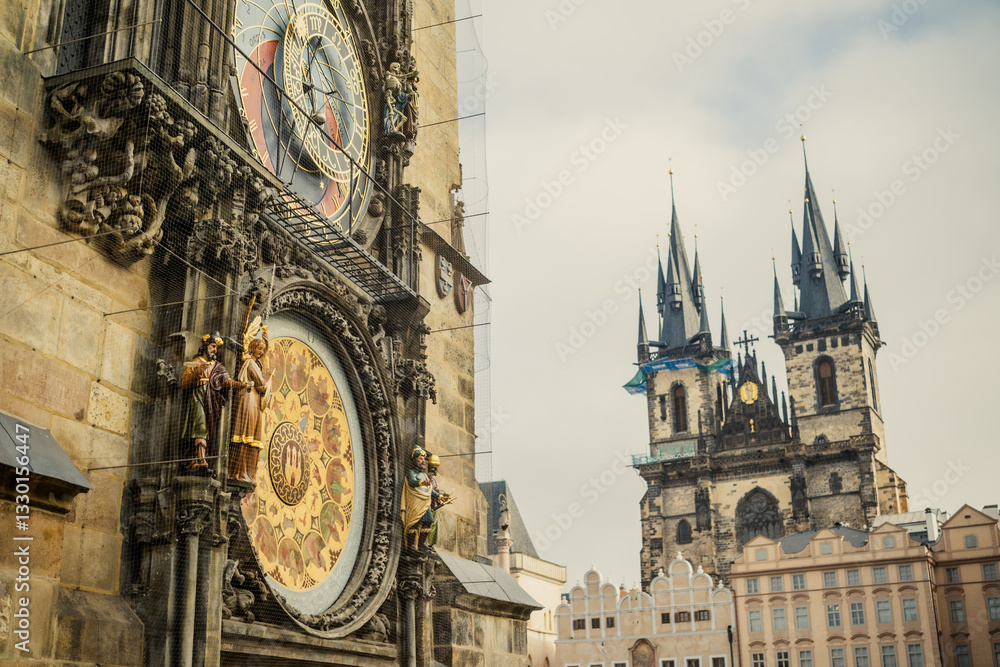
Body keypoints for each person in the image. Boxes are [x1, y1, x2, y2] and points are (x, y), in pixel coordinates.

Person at [180, 332, 247, 470]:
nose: (215, 350)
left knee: (206, 429)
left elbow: (227, 382)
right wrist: (197, 373)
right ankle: (200, 460)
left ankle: (198, 459)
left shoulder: (219, 367)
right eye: (212, 346)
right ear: (205, 346)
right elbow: (184, 382)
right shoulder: (196, 362)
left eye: (216, 348)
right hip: (197, 397)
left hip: (211, 401)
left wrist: (239, 385)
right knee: (200, 427)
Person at [229, 318, 272, 482]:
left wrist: (266, 343)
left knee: (250, 436)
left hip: (252, 400)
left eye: (262, 349)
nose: (261, 352)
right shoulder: (250, 363)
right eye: (259, 348)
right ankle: (240, 472)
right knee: (245, 434)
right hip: (249, 400)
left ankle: (245, 472)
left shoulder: (254, 363)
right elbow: (261, 384)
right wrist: (266, 385)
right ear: (252, 348)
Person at [400, 447, 432, 551]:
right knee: (414, 521)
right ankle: (411, 545)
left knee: (428, 521)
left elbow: (430, 489)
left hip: (425, 501)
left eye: (424, 459)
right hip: (415, 501)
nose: (423, 461)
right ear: (415, 460)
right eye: (420, 458)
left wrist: (440, 496)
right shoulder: (411, 472)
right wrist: (421, 483)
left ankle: (421, 544)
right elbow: (411, 482)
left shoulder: (424, 475)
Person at [426, 453, 450, 548]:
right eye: (437, 468)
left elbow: (436, 490)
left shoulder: (432, 478)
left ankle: (430, 544)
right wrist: (441, 495)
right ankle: (428, 543)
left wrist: (443, 494)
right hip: (431, 504)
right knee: (431, 524)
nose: (438, 470)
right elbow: (432, 490)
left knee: (434, 525)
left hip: (435, 502)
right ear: (434, 468)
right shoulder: (429, 477)